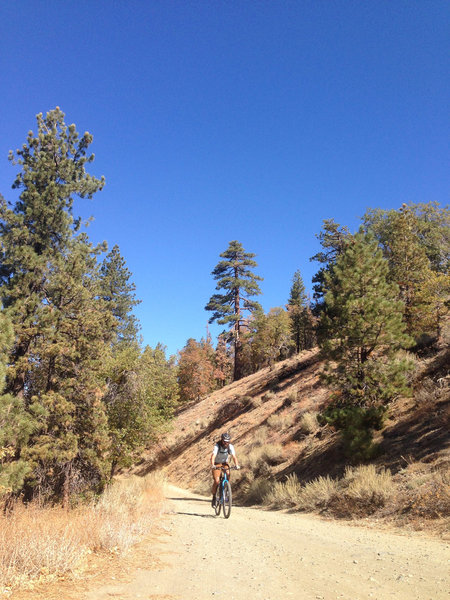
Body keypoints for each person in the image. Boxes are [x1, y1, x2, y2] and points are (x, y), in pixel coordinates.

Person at [210, 432, 240, 507]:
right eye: (224, 441)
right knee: (217, 481)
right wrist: (213, 465)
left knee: (228, 474)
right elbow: (213, 456)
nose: (226, 443)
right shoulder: (217, 446)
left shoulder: (230, 446)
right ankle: (214, 497)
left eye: (227, 441)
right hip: (217, 463)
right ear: (222, 440)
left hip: (224, 463)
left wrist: (236, 465)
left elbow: (234, 456)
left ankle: (226, 489)